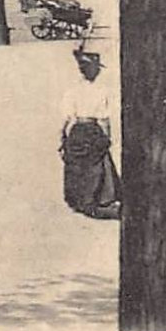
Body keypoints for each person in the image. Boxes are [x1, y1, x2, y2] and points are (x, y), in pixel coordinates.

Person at [59, 44, 122, 219]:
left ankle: (77, 199)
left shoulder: (72, 91)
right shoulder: (102, 91)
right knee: (98, 162)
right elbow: (104, 118)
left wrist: (62, 136)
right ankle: (101, 197)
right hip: (93, 129)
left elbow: (66, 117)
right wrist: (107, 137)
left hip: (78, 129)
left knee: (78, 164)